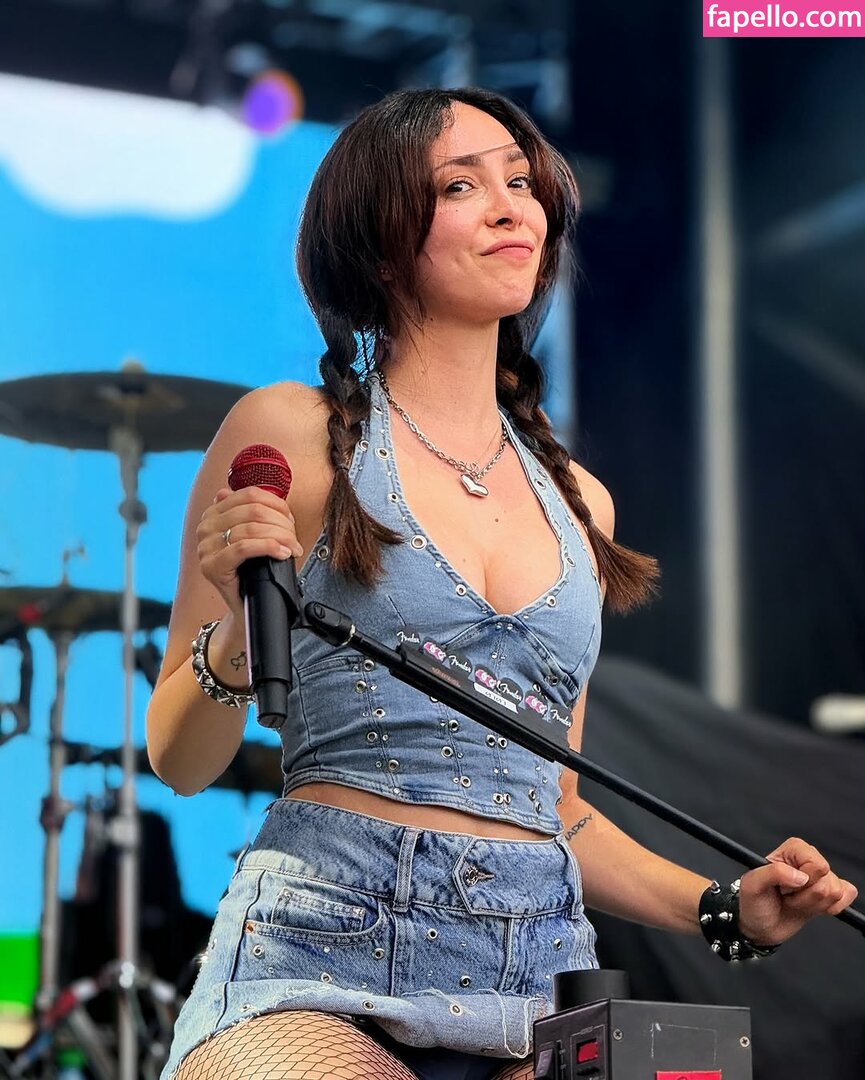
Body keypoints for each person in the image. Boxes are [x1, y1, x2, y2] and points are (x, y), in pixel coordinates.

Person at [146, 87, 857, 1080]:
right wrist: (231, 638)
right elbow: (179, 759)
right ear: (379, 241)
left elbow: (554, 809)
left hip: (534, 977)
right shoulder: (289, 431)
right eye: (459, 186)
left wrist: (723, 908)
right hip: (316, 954)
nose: (508, 207)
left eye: (520, 183)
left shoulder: (580, 503)